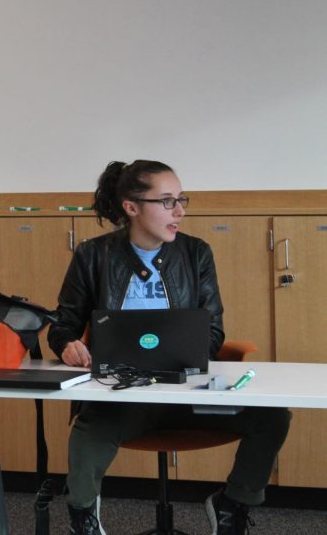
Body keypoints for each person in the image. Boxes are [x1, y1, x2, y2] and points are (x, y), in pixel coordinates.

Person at [49, 160, 291, 535]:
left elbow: (213, 333)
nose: (179, 210)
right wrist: (67, 344)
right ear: (131, 207)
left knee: (273, 417)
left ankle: (232, 504)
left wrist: (183, 356)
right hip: (124, 397)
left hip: (190, 393)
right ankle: (83, 517)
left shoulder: (196, 253)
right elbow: (62, 325)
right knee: (88, 433)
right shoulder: (93, 255)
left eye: (181, 199)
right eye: (166, 201)